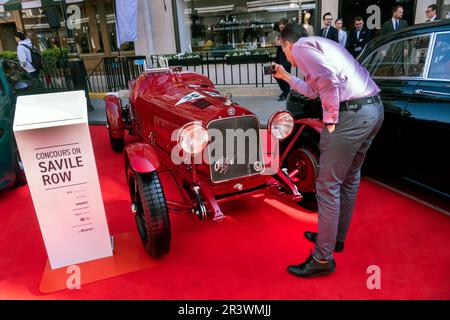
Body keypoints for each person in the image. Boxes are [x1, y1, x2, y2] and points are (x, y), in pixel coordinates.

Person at [272, 25, 384, 278]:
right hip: (373, 110)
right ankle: (334, 239)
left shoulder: (301, 47)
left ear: (288, 43)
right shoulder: (321, 45)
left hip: (352, 114)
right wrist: (287, 78)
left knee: (327, 186)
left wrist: (330, 120)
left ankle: (322, 258)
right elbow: (315, 90)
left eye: (282, 50)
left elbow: (327, 82)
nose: (286, 57)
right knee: (350, 178)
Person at [274, 18, 292, 101]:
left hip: (286, 58)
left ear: (285, 25)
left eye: (282, 24)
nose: (280, 25)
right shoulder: (281, 34)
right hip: (278, 58)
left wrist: (278, 42)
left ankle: (286, 93)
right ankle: (284, 91)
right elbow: (277, 43)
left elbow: (279, 43)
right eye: (280, 24)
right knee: (274, 73)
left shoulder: (288, 34)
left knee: (285, 76)